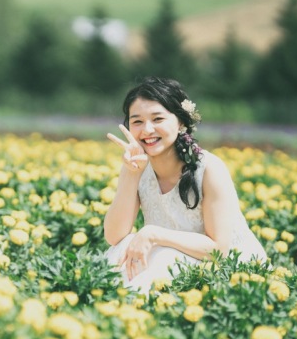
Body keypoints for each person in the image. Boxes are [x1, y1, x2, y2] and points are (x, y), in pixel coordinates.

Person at [103, 76, 267, 293]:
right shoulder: (137, 167)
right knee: (123, 248)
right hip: (172, 258)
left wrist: (153, 234)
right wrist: (130, 174)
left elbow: (219, 250)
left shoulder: (209, 168)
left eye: (158, 119)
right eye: (137, 121)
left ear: (180, 122)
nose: (147, 130)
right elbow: (114, 236)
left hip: (231, 272)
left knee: (162, 256)